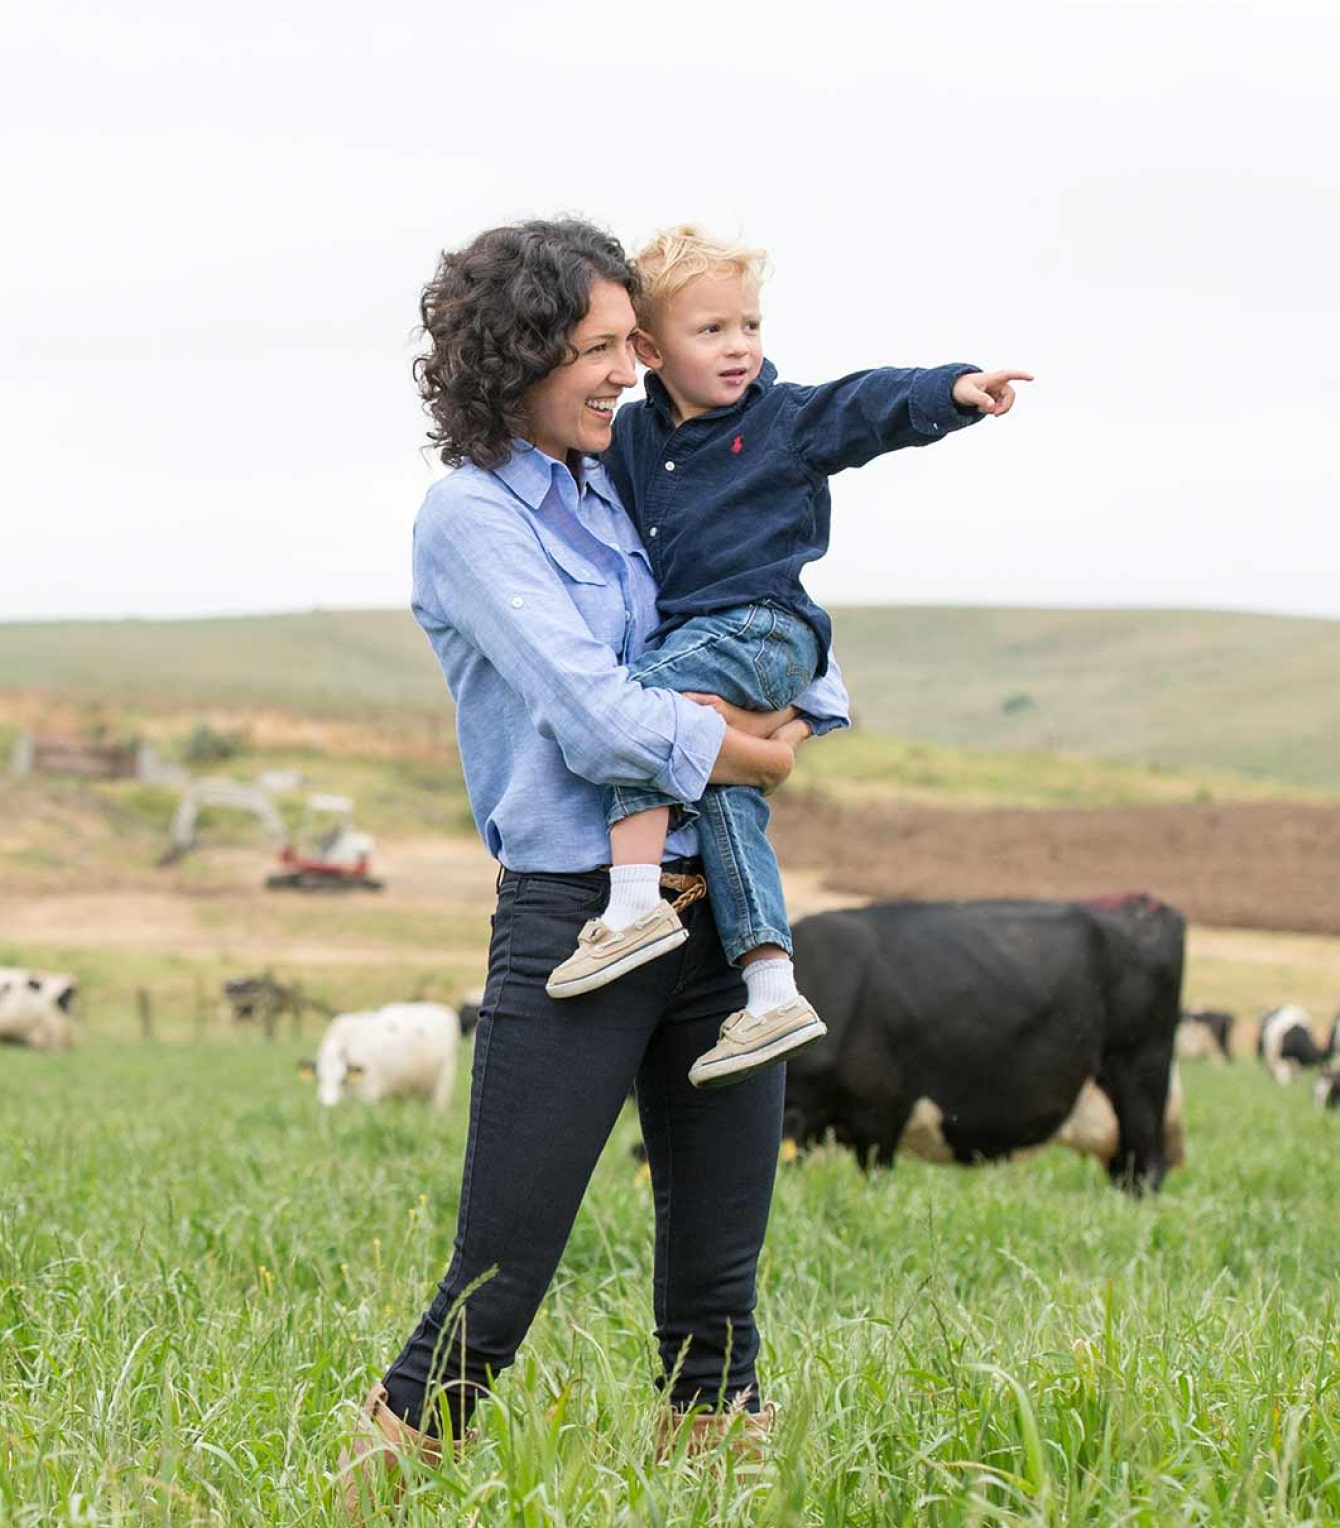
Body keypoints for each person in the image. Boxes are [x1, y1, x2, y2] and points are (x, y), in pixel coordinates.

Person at [339, 218, 851, 1512]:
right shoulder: (469, 519)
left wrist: (799, 701)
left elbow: (745, 593)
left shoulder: (615, 478)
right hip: (580, 920)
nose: (631, 369)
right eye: (600, 348)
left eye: (633, 340)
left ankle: (715, 1500)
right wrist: (760, 759)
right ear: (517, 357)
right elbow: (596, 715)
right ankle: (362, 1494)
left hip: (716, 916)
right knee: (501, 1274)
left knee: (718, 1296)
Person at [546, 225, 1031, 1088]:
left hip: (765, 631)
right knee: (720, 788)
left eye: (750, 326)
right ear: (650, 349)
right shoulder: (627, 443)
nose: (740, 347)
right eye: (713, 331)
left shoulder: (784, 421)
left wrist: (953, 391)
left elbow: (864, 405)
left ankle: (631, 906)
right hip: (707, 644)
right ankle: (771, 986)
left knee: (639, 711)